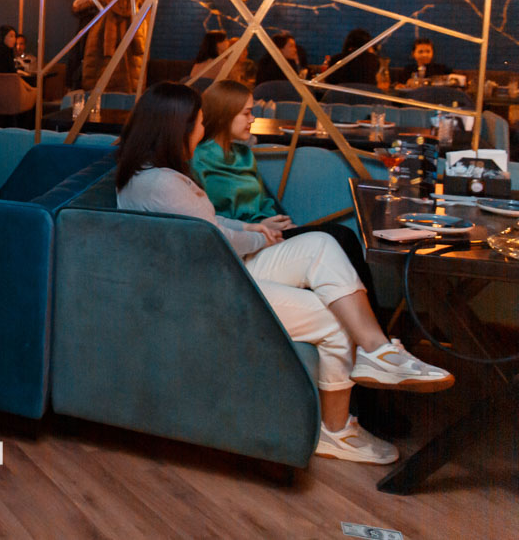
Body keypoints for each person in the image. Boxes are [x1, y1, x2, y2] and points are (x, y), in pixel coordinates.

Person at [116, 82, 454, 465]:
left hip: (217, 269)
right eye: (198, 122)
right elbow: (214, 241)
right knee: (333, 315)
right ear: (176, 127)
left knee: (322, 244)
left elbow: (207, 225)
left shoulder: (152, 174)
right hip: (212, 287)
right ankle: (336, 431)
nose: (202, 129)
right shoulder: (164, 183)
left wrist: (251, 228)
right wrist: (258, 238)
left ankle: (377, 351)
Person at [191, 80, 375, 291]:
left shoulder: (243, 155)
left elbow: (263, 201)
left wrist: (282, 224)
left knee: (343, 237)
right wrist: (260, 226)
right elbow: (206, 217)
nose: (252, 119)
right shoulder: (198, 159)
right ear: (225, 115)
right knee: (341, 236)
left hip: (270, 231)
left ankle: (364, 309)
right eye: (246, 113)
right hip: (242, 240)